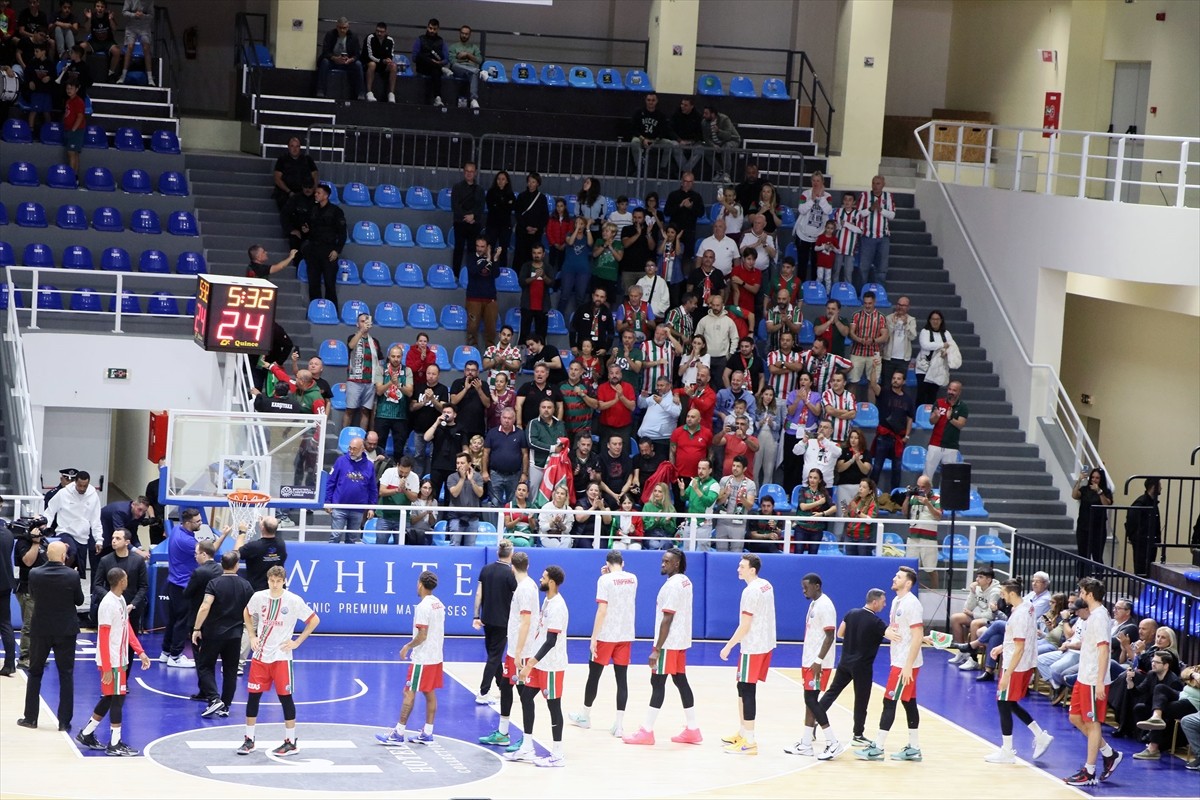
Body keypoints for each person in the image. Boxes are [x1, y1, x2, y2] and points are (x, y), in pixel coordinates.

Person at [237, 566, 320, 757]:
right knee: (253, 697)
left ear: (284, 581)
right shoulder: (259, 597)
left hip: (281, 658)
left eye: (278, 581)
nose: (275, 584)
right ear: (268, 580)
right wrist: (251, 635)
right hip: (260, 656)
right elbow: (247, 613)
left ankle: (290, 742)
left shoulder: (293, 600)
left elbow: (314, 620)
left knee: (285, 698)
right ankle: (249, 740)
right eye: (271, 581)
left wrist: (297, 642)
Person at [73, 566, 151, 755]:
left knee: (110, 697)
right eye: (126, 578)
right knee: (118, 698)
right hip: (112, 661)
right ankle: (115, 743)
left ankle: (87, 733)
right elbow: (104, 638)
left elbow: (127, 628)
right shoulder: (108, 604)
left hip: (120, 657)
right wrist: (107, 667)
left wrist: (139, 651)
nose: (128, 580)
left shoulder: (121, 600)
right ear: (121, 581)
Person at [854, 566, 924, 763]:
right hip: (900, 659)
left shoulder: (912, 604)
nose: (894, 578)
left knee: (889, 701)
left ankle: (878, 747)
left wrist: (908, 665)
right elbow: (913, 633)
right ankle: (914, 748)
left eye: (899, 577)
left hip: (904, 663)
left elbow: (917, 635)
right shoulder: (896, 601)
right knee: (908, 702)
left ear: (908, 583)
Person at [982, 578, 1055, 764]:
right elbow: (1018, 639)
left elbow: (1020, 646)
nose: (1002, 597)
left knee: (1003, 703)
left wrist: (1007, 674)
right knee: (1009, 703)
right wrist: (1001, 647)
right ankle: (1040, 735)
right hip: (1021, 662)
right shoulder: (1027, 606)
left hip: (1016, 665)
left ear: (1012, 593)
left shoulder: (1020, 614)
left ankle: (1007, 751)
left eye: (1004, 594)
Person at [812, 588, 887, 757]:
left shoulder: (851, 613)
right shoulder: (877, 623)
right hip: (862, 666)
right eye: (883, 601)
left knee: (831, 693)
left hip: (845, 662)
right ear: (874, 602)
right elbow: (891, 635)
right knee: (861, 700)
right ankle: (858, 735)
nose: (885, 604)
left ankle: (814, 721)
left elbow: (840, 633)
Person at [570, 550, 637, 736]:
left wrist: (593, 637)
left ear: (607, 564)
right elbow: (620, 586)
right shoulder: (633, 578)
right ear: (622, 563)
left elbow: (602, 610)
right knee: (622, 680)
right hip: (625, 634)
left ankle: (585, 716)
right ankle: (619, 725)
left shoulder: (604, 580)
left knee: (594, 676)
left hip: (606, 635)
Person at [17, 540, 82, 732]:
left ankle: (30, 718)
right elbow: (79, 600)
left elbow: (34, 596)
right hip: (66, 630)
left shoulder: (35, 574)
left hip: (41, 629)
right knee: (66, 675)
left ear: (46, 555)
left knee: (35, 673)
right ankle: (64, 722)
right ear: (64, 557)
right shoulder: (72, 575)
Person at [509, 565, 569, 767]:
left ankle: (558, 754)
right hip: (540, 663)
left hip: (552, 665)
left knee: (554, 706)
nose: (540, 580)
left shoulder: (558, 606)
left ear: (552, 582)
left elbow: (551, 641)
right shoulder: (547, 600)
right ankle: (527, 746)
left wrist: (529, 664)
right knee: (526, 697)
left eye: (544, 578)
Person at [377, 571, 446, 745]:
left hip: (422, 658)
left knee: (408, 692)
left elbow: (422, 635)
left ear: (421, 584)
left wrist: (408, 646)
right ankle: (428, 733)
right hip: (436, 656)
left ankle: (398, 733)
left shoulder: (423, 607)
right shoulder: (439, 604)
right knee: (429, 693)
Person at [1063, 577, 1120, 785]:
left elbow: (1104, 651)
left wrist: (1099, 682)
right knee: (1075, 718)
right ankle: (1108, 753)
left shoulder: (1100, 617)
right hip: (1084, 675)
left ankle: (1089, 771)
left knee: (1092, 722)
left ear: (1088, 594)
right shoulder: (1093, 616)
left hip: (1094, 678)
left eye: (1081, 591)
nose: (1079, 595)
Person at [719, 554, 776, 756]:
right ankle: (743, 732)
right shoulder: (766, 585)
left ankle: (749, 741)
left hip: (753, 646)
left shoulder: (750, 591)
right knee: (742, 686)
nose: (738, 569)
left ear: (752, 570)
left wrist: (728, 646)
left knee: (747, 688)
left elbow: (745, 625)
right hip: (765, 643)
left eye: (742, 566)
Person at [479, 551, 537, 749]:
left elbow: (526, 622)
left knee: (525, 694)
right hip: (514, 650)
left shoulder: (526, 589)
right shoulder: (522, 586)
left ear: (512, 567)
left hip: (522, 651)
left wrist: (519, 652)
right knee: (505, 686)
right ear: (527, 566)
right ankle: (503, 733)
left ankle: (527, 739)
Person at [191, 551, 253, 719]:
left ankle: (213, 697)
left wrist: (197, 629)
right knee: (231, 670)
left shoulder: (214, 583)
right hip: (235, 635)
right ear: (237, 565)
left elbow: (205, 606)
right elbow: (250, 611)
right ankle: (225, 706)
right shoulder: (246, 585)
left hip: (213, 633)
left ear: (221, 565)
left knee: (205, 666)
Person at [786, 573, 839, 759]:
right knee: (809, 701)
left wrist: (818, 661)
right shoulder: (814, 603)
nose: (803, 590)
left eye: (806, 587)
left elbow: (830, 637)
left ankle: (832, 742)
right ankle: (806, 744)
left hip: (818, 663)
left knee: (811, 700)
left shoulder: (825, 605)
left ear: (817, 586)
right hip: (810, 661)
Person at [473, 540, 517, 705]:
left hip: (487, 620)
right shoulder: (511, 573)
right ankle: (483, 692)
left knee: (494, 655)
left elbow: (479, 594)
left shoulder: (486, 569)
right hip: (503, 621)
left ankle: (502, 686)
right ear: (511, 554)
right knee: (494, 657)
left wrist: (476, 616)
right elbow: (517, 598)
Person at [44, 468, 102, 582]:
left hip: (82, 537)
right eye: (79, 485)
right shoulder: (63, 493)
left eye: (84, 486)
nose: (82, 488)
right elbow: (50, 511)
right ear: (75, 482)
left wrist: (98, 539)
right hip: (65, 531)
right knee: (72, 552)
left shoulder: (93, 495)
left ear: (88, 484)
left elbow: (96, 519)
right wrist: (45, 528)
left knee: (78, 572)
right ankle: (59, 575)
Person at [91, 528, 147, 639]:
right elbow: (97, 584)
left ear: (127, 542)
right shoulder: (105, 560)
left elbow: (143, 586)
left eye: (118, 538)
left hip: (131, 608)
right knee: (111, 641)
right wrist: (110, 599)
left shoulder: (138, 560)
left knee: (130, 642)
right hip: (111, 608)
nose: (114, 541)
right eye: (113, 538)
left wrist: (133, 604)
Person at [300, 183, 347, 308]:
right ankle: (315, 309)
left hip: (328, 251)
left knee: (329, 283)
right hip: (313, 250)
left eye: (318, 193)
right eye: (316, 193)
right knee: (313, 283)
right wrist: (306, 230)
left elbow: (342, 233)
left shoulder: (336, 211)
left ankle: (331, 310)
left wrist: (337, 250)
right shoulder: (312, 209)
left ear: (326, 196)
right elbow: (309, 227)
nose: (315, 194)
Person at [326, 436, 376, 544]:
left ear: (362, 449)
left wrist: (372, 507)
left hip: (358, 509)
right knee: (335, 536)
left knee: (352, 539)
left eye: (354, 449)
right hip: (339, 506)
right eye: (350, 448)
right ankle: (331, 558)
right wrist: (328, 502)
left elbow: (372, 489)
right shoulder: (340, 461)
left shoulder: (369, 466)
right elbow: (331, 482)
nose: (351, 451)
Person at [871, 370, 915, 492]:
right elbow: (873, 384)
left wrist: (907, 436)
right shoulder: (884, 392)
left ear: (904, 381)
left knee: (896, 469)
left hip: (898, 439)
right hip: (883, 437)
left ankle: (894, 496)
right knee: (877, 467)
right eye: (894, 378)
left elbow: (910, 419)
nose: (895, 380)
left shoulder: (908, 399)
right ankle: (870, 495)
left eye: (898, 378)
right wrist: (874, 368)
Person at [793, 171, 834, 281]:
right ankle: (800, 291)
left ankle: (814, 290)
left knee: (817, 266)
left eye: (818, 181)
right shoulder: (805, 194)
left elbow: (828, 210)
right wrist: (812, 200)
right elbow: (801, 209)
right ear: (811, 181)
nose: (816, 183)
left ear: (822, 182)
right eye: (814, 180)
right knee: (802, 264)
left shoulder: (828, 196)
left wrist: (820, 198)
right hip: (803, 235)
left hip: (819, 236)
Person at [925, 380, 968, 484]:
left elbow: (961, 425)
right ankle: (925, 498)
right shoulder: (939, 402)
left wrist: (950, 418)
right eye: (949, 389)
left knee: (948, 478)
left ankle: (945, 499)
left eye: (954, 390)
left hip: (951, 446)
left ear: (959, 392)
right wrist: (935, 416)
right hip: (935, 443)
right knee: (927, 474)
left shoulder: (962, 407)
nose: (951, 392)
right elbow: (931, 421)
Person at [344, 312, 382, 431]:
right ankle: (344, 436)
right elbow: (351, 346)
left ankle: (362, 437)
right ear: (357, 324)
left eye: (366, 321)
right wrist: (361, 332)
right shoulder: (352, 337)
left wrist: (378, 381)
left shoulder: (374, 341)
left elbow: (379, 362)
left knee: (366, 411)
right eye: (362, 321)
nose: (364, 323)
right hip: (354, 380)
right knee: (350, 410)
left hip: (370, 381)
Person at [903, 475, 942, 589]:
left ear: (930, 487)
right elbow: (905, 513)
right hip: (913, 537)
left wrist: (927, 503)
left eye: (923, 487)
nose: (920, 489)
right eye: (918, 487)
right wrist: (907, 496)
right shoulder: (913, 498)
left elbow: (938, 516)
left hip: (928, 539)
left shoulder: (936, 498)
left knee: (931, 569)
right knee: (910, 569)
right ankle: (911, 591)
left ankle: (935, 594)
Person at [857, 175, 897, 285]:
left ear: (883, 185)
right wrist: (870, 209)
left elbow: (892, 215)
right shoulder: (864, 196)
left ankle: (879, 292)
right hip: (867, 237)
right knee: (863, 267)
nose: (875, 186)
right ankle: (862, 293)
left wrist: (880, 209)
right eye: (873, 183)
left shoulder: (888, 196)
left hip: (883, 238)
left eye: (878, 183)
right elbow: (858, 214)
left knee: (882, 268)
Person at [315, 17, 363, 99]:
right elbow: (325, 52)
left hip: (347, 62)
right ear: (337, 27)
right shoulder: (330, 34)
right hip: (333, 61)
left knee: (358, 65)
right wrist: (334, 58)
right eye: (340, 28)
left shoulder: (353, 37)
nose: (342, 30)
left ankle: (360, 92)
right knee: (324, 62)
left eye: (344, 28)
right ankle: (320, 90)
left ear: (348, 27)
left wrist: (350, 60)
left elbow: (357, 54)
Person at [1072, 468, 1113, 564]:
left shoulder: (1105, 491)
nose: (1094, 480)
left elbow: (1106, 504)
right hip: (1083, 526)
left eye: (1097, 478)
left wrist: (1099, 491)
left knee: (1097, 555)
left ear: (1101, 479)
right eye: (1093, 477)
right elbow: (1075, 495)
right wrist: (1079, 480)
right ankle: (1082, 576)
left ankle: (1098, 576)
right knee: (1082, 555)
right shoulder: (1085, 490)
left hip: (1098, 528)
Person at [452, 162, 486, 278]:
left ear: (475, 173)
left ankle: (472, 274)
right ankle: (455, 275)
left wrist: (473, 217)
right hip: (460, 223)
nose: (469, 174)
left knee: (473, 251)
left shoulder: (480, 190)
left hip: (474, 224)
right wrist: (467, 216)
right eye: (467, 171)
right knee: (458, 249)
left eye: (471, 171)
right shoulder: (457, 187)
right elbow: (455, 206)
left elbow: (480, 207)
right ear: (463, 172)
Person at [915, 310, 954, 407]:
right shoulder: (925, 332)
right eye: (933, 319)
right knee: (921, 394)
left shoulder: (946, 333)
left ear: (941, 321)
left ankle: (930, 418)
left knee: (932, 395)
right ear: (929, 320)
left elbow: (951, 346)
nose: (935, 321)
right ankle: (918, 416)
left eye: (937, 319)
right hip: (924, 368)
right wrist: (942, 345)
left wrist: (946, 351)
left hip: (938, 368)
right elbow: (925, 345)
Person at [444, 452, 485, 545]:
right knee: (455, 544)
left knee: (470, 546)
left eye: (462, 463)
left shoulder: (477, 476)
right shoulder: (452, 477)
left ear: (469, 464)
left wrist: (471, 480)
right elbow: (454, 493)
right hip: (456, 517)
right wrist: (462, 479)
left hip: (473, 517)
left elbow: (480, 494)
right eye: (458, 463)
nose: (459, 465)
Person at [629, 91, 675, 172]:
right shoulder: (638, 112)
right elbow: (633, 128)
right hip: (641, 138)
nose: (651, 102)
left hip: (655, 140)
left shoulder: (661, 115)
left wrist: (656, 139)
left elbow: (664, 130)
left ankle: (663, 168)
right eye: (649, 100)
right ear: (645, 100)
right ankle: (638, 166)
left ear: (657, 101)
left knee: (669, 144)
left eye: (653, 100)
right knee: (634, 142)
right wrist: (643, 139)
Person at [518, 244, 555, 344]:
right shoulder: (526, 266)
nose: (536, 255)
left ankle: (541, 356)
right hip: (527, 306)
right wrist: (534, 278)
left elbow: (552, 284)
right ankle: (521, 356)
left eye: (539, 253)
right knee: (524, 334)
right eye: (534, 253)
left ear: (543, 254)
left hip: (543, 307)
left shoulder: (548, 267)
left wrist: (543, 276)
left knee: (541, 336)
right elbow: (521, 282)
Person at [665, 172, 705, 260]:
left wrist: (691, 207)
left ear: (693, 183)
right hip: (673, 233)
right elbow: (667, 212)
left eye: (690, 182)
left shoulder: (697, 196)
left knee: (687, 259)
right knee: (670, 257)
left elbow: (701, 213)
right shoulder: (673, 195)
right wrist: (680, 206)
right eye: (686, 181)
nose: (687, 184)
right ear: (682, 182)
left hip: (689, 232)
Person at [1126, 477, 1161, 576]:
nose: (1161, 488)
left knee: (1148, 571)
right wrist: (1133, 537)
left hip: (1150, 542)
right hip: (1141, 542)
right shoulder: (1141, 502)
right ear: (1154, 487)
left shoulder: (1151, 502)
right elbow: (1131, 520)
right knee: (1141, 570)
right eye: (1159, 485)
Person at [513, 172, 548, 270]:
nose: (531, 184)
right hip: (522, 232)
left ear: (538, 183)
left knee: (534, 257)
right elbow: (518, 214)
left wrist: (537, 228)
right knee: (520, 256)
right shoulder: (521, 196)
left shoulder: (542, 198)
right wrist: (526, 227)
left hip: (536, 233)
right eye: (529, 181)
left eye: (533, 182)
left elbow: (544, 216)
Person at [411, 17, 448, 106]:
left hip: (434, 69)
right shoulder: (420, 39)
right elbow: (414, 57)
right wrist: (431, 61)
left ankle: (438, 98)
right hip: (422, 67)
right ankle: (440, 68)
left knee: (436, 71)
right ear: (427, 27)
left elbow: (446, 59)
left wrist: (440, 63)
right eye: (430, 28)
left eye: (434, 29)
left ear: (438, 29)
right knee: (420, 55)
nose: (432, 31)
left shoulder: (441, 41)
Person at [116, 0, 153, 85]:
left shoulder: (150, 1)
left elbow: (151, 15)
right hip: (131, 26)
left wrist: (143, 16)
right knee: (130, 47)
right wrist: (134, 14)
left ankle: (150, 78)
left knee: (146, 48)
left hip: (144, 27)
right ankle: (123, 76)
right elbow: (124, 12)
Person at [447, 24, 483, 109]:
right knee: (474, 71)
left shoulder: (474, 47)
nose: (464, 35)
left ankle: (473, 100)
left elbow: (479, 60)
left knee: (473, 73)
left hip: (470, 72)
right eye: (462, 33)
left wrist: (467, 55)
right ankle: (478, 72)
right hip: (458, 70)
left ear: (469, 35)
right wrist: (467, 60)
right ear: (460, 33)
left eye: (466, 34)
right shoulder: (453, 47)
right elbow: (452, 61)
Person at [362, 21, 397, 102]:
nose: (379, 33)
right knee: (372, 65)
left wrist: (389, 60)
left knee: (394, 66)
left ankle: (391, 94)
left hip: (383, 64)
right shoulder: (370, 38)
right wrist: (381, 61)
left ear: (386, 32)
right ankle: (369, 92)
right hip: (370, 62)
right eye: (377, 31)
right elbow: (369, 55)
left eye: (381, 32)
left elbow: (391, 54)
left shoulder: (390, 40)